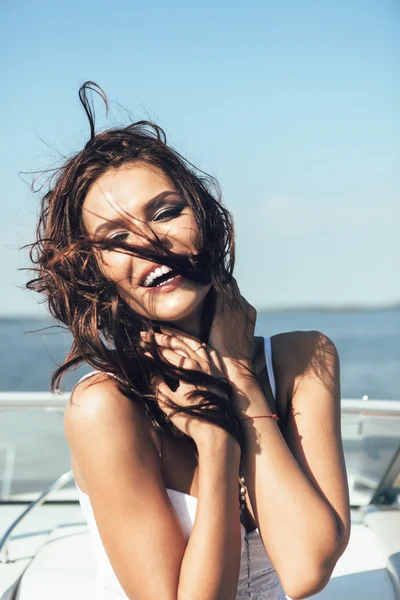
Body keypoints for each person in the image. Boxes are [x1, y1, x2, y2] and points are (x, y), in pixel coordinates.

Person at [27, 81, 351, 600]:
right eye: (115, 239)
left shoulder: (301, 359)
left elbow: (307, 568)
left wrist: (241, 382)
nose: (151, 243)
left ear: (204, 219)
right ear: (96, 271)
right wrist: (217, 446)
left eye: (165, 212)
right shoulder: (106, 407)